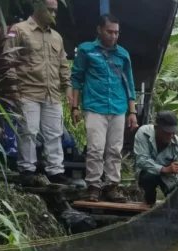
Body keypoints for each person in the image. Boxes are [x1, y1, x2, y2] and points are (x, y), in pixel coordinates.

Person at [4, 0, 73, 187]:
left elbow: (63, 65)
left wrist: (67, 87)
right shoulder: (19, 30)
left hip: (51, 94)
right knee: (28, 131)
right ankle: (27, 170)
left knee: (54, 133)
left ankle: (56, 172)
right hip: (27, 91)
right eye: (49, 10)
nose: (53, 14)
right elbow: (8, 60)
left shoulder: (56, 37)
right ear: (37, 7)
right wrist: (13, 90)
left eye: (55, 11)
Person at [71, 14, 138, 203]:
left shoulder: (123, 54)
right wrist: (74, 107)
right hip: (94, 106)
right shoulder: (86, 50)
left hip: (118, 107)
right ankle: (93, 186)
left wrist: (132, 112)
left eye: (116, 33)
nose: (113, 36)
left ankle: (112, 186)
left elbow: (129, 85)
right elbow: (76, 78)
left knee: (115, 149)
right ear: (99, 30)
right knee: (95, 148)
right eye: (109, 32)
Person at [133, 111, 178, 207]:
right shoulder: (143, 133)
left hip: (167, 176)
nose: (171, 135)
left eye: (173, 132)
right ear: (156, 128)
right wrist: (164, 169)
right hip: (147, 172)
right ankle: (149, 199)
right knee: (148, 177)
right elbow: (142, 160)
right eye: (167, 132)